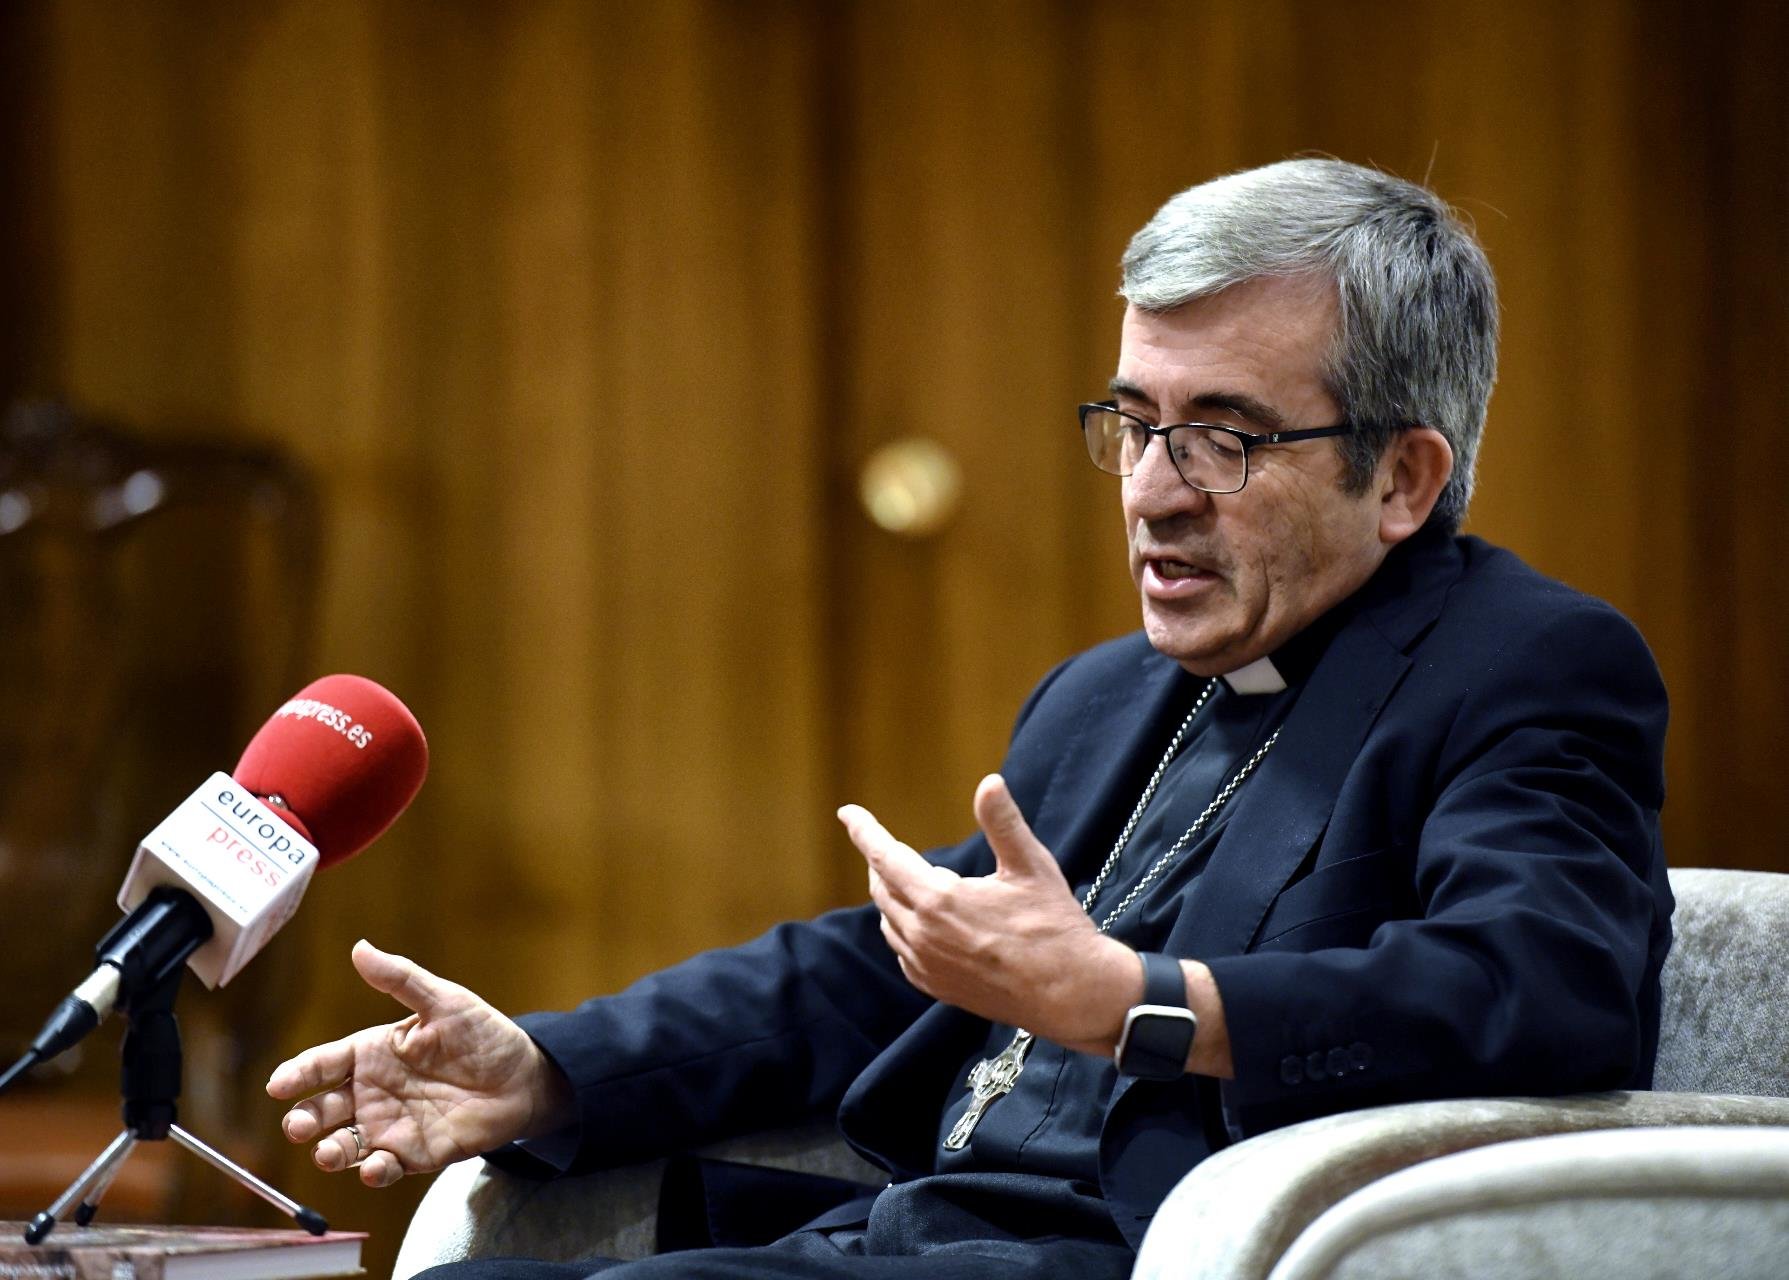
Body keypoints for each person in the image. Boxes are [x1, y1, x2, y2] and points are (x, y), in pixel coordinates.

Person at [268, 158, 1672, 1278]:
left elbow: (1544, 986)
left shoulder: (1526, 668)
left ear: (1404, 479)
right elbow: (887, 967)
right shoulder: (1107, 696)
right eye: (1134, 422)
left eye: (1223, 437)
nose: (1151, 491)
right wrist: (551, 1068)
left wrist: (1142, 1006)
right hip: (899, 1240)